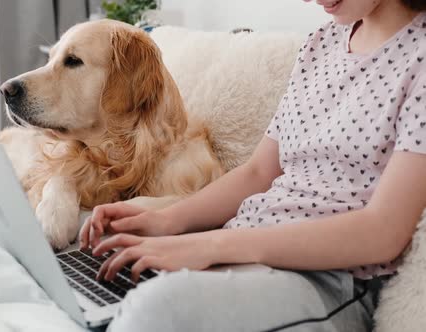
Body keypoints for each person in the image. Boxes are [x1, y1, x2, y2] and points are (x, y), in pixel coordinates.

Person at [78, 0, 426, 331]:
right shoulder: (321, 44)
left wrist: (211, 246)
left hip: (328, 278)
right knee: (91, 286)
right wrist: (164, 221)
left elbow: (383, 233)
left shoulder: (419, 59)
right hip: (242, 248)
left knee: (154, 310)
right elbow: (259, 172)